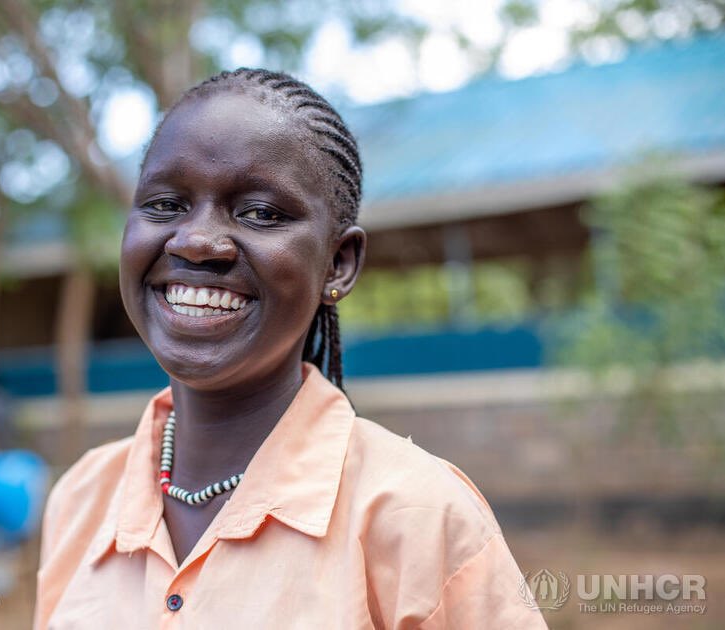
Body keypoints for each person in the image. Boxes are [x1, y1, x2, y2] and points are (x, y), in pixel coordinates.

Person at [34, 69, 548, 629]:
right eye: (165, 204)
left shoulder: (418, 515)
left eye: (260, 213)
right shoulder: (81, 499)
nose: (196, 241)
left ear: (338, 264)